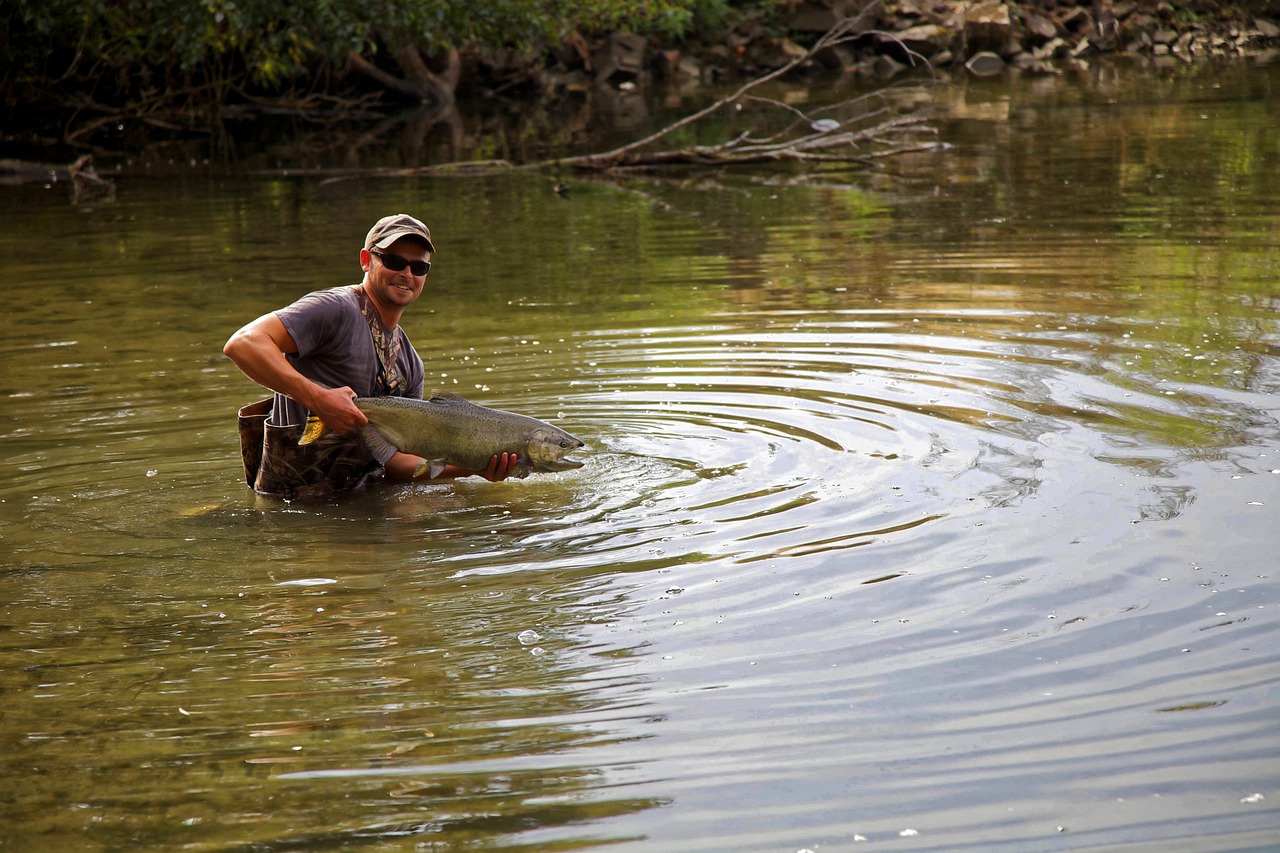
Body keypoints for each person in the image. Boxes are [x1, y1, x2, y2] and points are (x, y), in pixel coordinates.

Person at [224, 213, 518, 499]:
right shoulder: (334, 309)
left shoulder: (410, 364)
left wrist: (471, 469)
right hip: (290, 508)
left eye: (419, 268)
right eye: (394, 261)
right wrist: (318, 399)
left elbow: (397, 463)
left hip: (357, 502)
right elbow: (243, 344)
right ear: (366, 260)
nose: (406, 274)